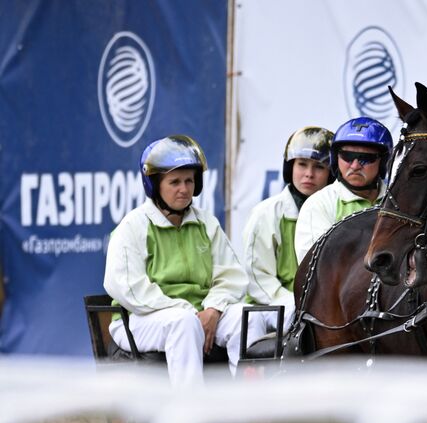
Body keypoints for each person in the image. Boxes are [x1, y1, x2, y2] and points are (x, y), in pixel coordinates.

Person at [103, 135, 250, 387]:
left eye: (189, 181)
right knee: (182, 324)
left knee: (245, 317)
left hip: (197, 315)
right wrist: (189, 312)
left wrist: (213, 309)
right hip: (139, 321)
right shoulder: (133, 226)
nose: (184, 189)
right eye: (174, 182)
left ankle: (246, 414)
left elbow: (232, 275)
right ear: (154, 186)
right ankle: (190, 418)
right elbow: (129, 289)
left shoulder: (206, 223)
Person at [242, 126, 333, 348]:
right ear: (289, 167)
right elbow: (256, 277)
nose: (309, 174)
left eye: (319, 167)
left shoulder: (333, 211)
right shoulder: (266, 213)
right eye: (302, 164)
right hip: (271, 306)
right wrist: (296, 305)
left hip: (318, 307)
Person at [294, 117, 392, 262]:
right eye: (347, 156)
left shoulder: (397, 202)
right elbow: (317, 265)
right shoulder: (319, 204)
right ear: (336, 158)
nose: (355, 166)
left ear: (383, 162)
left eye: (365, 158)